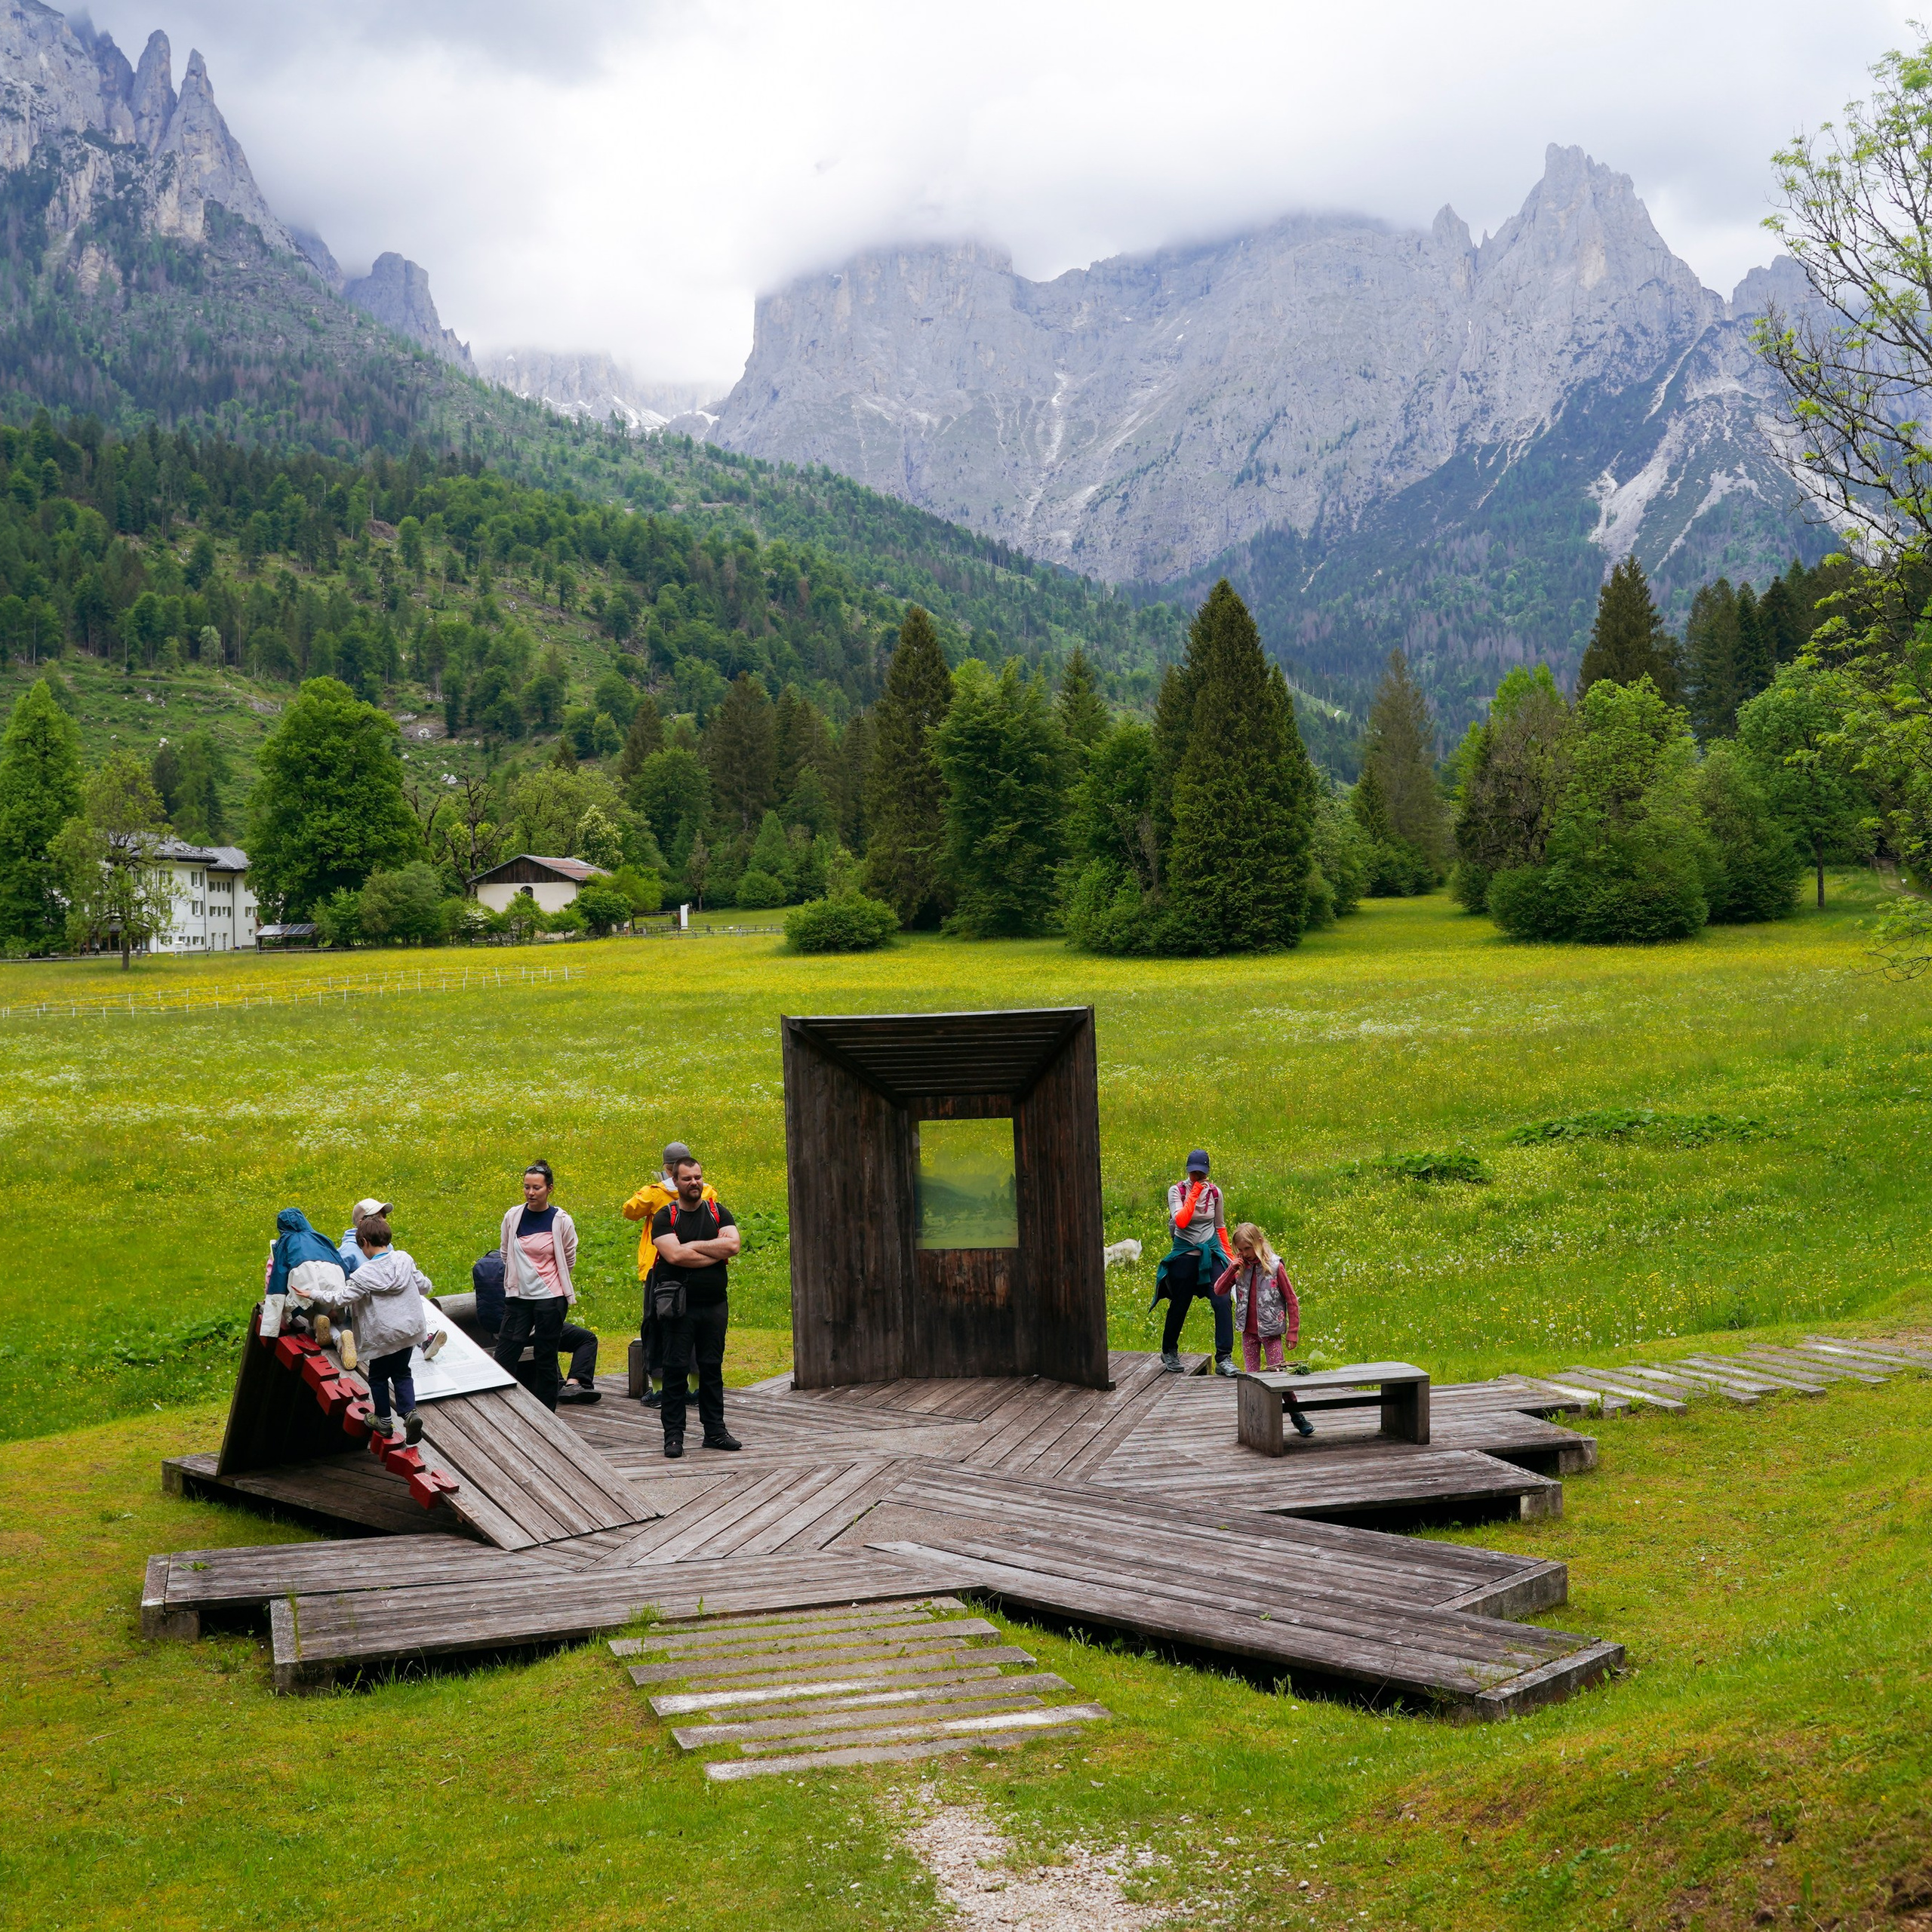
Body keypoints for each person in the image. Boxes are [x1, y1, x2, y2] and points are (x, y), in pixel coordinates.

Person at [649, 1152, 740, 1458]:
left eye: (698, 1177)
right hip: (678, 1308)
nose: (694, 1183)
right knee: (675, 1370)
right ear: (675, 1182)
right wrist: (715, 1252)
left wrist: (693, 1245)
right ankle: (673, 1437)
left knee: (712, 1368)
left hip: (714, 1305)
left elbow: (734, 1245)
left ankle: (715, 1432)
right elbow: (674, 1256)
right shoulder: (666, 1216)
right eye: (687, 1179)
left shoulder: (718, 1212)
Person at [327, 1214, 442, 1444]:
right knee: (402, 1372)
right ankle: (410, 1413)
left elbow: (342, 1298)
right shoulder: (404, 1260)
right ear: (387, 1239)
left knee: (378, 1377)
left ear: (364, 1244)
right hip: (408, 1333)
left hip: (382, 1336)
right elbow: (424, 1286)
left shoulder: (363, 1275)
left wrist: (315, 1294)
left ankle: (383, 1420)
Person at [622, 1141, 718, 1410]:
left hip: (659, 1269)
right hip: (699, 1267)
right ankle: (696, 1389)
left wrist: (651, 1190)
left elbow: (629, 1211)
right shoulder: (708, 1191)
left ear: (666, 1169)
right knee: (698, 1326)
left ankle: (660, 1390)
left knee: (656, 1325)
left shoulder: (654, 1194)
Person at [494, 1160, 580, 1411]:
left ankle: (547, 1414)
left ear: (549, 1189)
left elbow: (569, 1257)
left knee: (546, 1357)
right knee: (505, 1355)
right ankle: (504, 1409)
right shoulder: (513, 1216)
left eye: (537, 1188)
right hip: (518, 1297)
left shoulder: (561, 1220)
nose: (531, 1193)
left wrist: (550, 1280)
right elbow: (504, 1252)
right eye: (526, 1187)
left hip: (550, 1298)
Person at [1215, 1223, 1312, 1435]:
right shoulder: (1239, 1267)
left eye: (1247, 1249)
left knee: (1278, 1375)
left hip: (1271, 1332)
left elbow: (1291, 1300)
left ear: (1259, 1243)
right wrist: (1232, 1268)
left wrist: (1293, 1331)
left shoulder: (1275, 1266)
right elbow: (1219, 1289)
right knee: (1253, 1377)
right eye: (1239, 1250)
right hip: (1248, 1333)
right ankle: (1256, 1420)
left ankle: (1296, 1413)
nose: (1244, 1254)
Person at [471, 1248, 601, 1404]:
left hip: (501, 1334)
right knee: (586, 1338)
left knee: (546, 1336)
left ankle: (560, 1382)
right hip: (529, 1329)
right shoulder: (530, 1267)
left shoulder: (492, 1271)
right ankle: (574, 1384)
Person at [1154, 1149, 1237, 1376]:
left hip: (1210, 1254)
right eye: (1193, 1172)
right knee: (1180, 1303)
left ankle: (1224, 1357)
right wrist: (1195, 1193)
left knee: (1222, 1301)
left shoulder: (1216, 1194)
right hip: (1184, 1255)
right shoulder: (1177, 1191)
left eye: (1201, 1172)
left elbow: (1220, 1227)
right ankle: (1169, 1351)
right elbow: (1181, 1220)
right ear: (1187, 1171)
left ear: (1208, 1171)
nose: (1198, 1176)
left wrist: (1229, 1259)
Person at [262, 1208, 347, 1340]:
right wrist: (339, 1306)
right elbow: (342, 1264)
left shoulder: (284, 1243)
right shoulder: (322, 1238)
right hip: (335, 1279)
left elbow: (278, 1278)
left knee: (294, 1301)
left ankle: (315, 1318)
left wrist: (270, 1326)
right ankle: (340, 1338)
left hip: (305, 1281)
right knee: (323, 1298)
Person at [337, 1197, 391, 1277]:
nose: (384, 1220)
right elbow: (338, 1277)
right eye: (378, 1218)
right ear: (362, 1223)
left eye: (384, 1216)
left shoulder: (385, 1244)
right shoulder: (348, 1250)